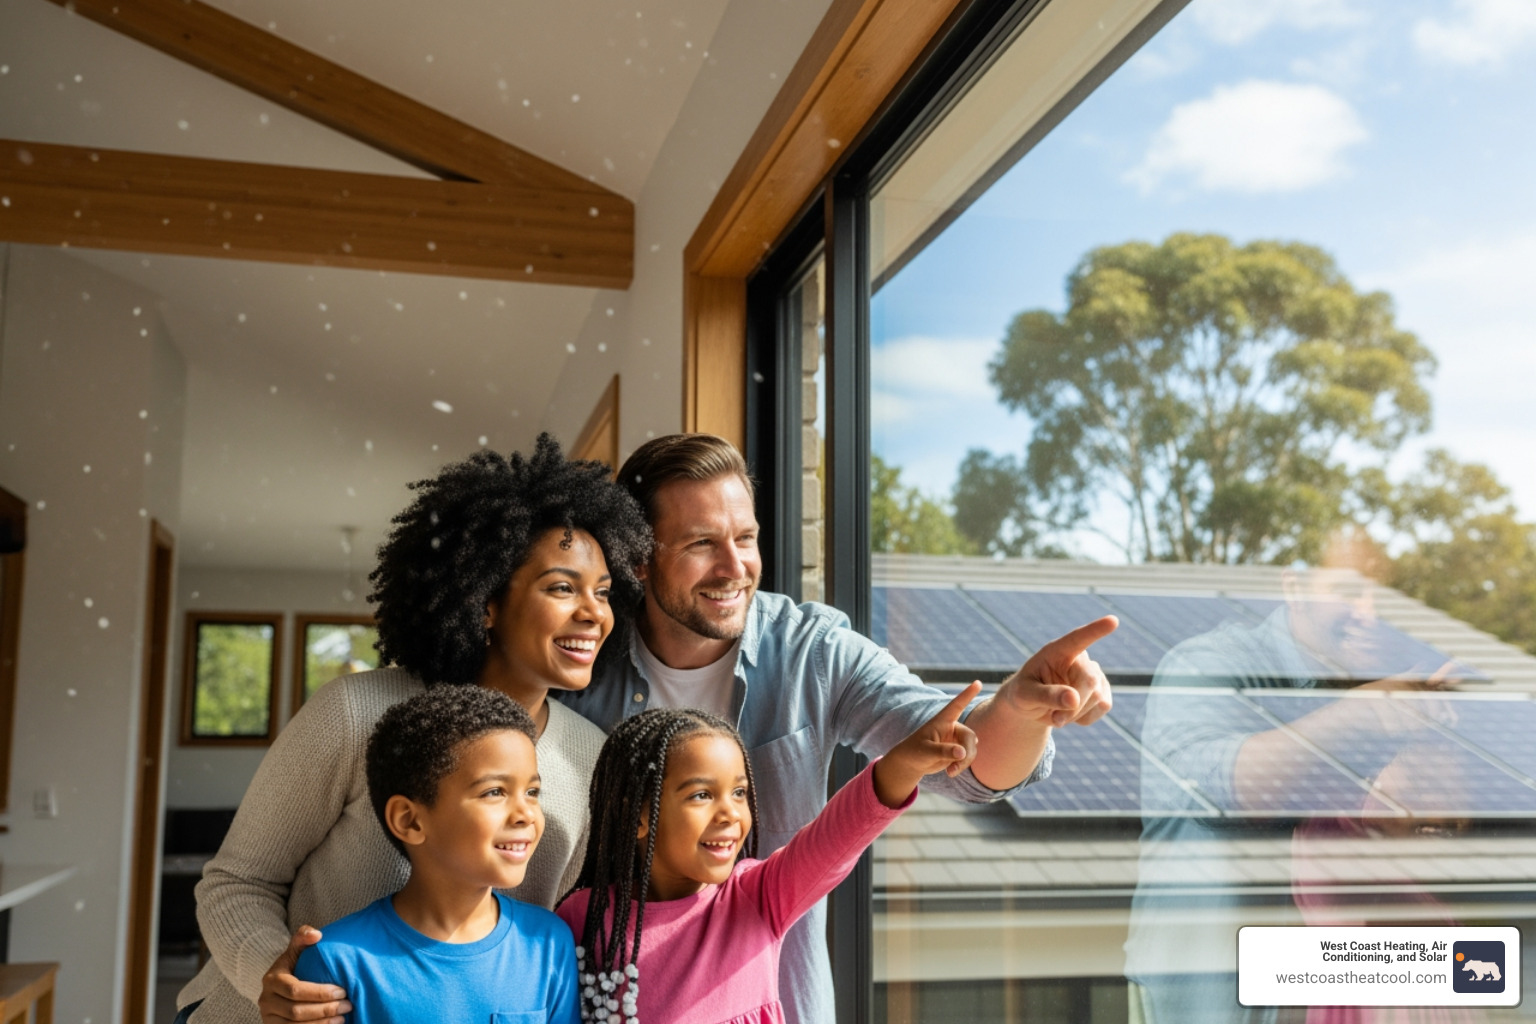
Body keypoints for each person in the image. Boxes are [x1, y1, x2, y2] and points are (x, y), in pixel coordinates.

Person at [557, 433, 1117, 1024]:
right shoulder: (580, 666)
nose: (734, 567)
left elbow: (961, 758)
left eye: (745, 538)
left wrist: (1020, 710)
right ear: (640, 558)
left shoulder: (812, 651)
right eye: (701, 543)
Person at [175, 435, 650, 1024]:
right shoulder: (356, 713)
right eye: (561, 587)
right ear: (485, 603)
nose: (593, 613)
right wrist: (279, 977)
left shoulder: (591, 758)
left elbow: (525, 940)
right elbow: (237, 881)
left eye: (603, 593)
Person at [556, 682, 983, 1024]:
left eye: (740, 792)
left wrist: (903, 765)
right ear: (640, 815)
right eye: (702, 794)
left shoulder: (755, 897)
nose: (730, 813)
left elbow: (836, 838)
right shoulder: (580, 919)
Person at [293, 686, 580, 1024]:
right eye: (494, 792)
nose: (526, 814)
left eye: (532, 792)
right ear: (409, 820)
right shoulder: (336, 962)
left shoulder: (548, 943)